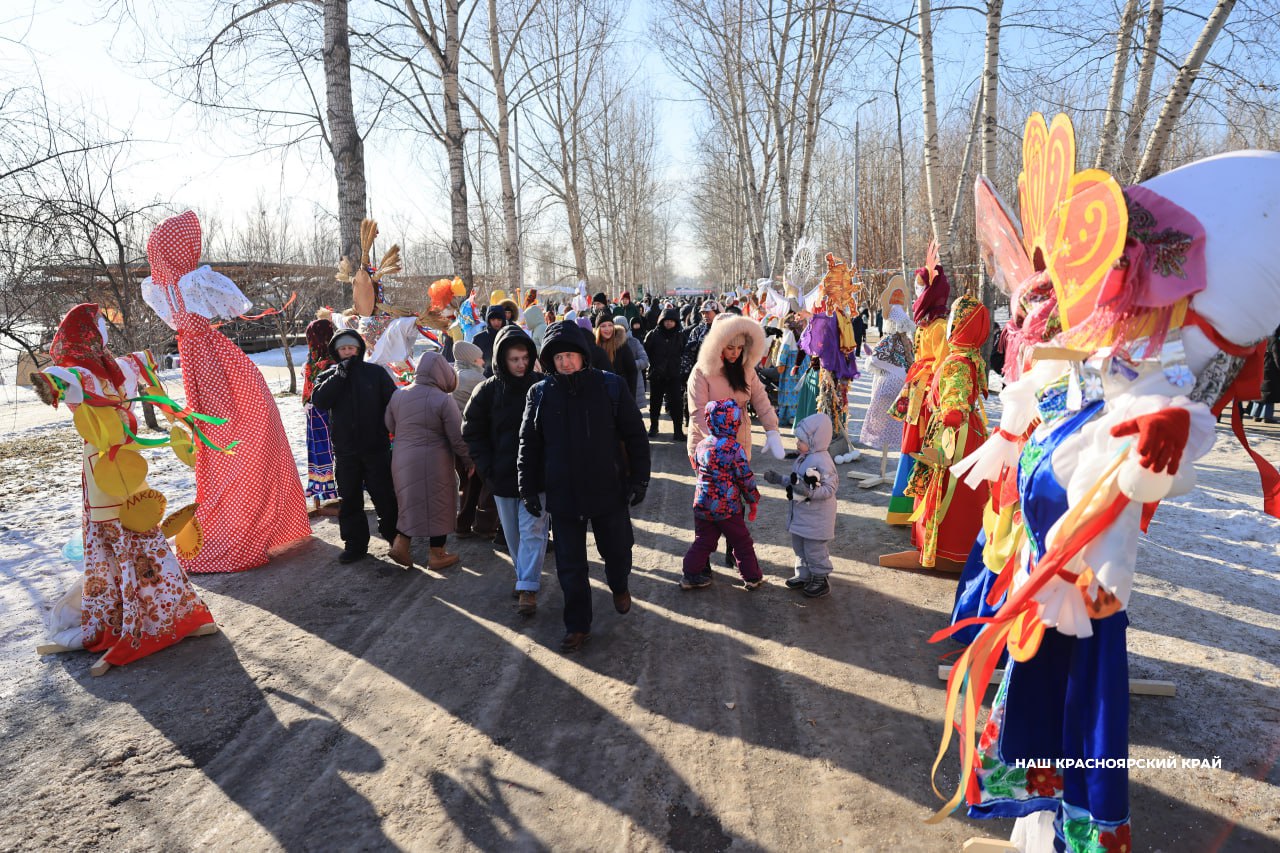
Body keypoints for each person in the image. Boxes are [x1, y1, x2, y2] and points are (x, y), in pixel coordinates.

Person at [33, 303, 217, 668]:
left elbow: (141, 363)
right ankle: (127, 619)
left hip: (129, 467)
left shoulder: (113, 368)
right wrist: (48, 380)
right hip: (104, 469)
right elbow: (57, 378)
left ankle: (173, 613)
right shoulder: (80, 373)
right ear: (85, 334)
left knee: (143, 530)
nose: (104, 330)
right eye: (98, 325)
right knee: (118, 537)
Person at [140, 210, 311, 572]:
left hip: (196, 361)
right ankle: (245, 525)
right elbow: (237, 307)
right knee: (246, 435)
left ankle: (240, 520)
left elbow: (183, 320)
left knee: (220, 444)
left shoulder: (160, 289)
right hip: (218, 363)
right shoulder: (193, 281)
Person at [518, 321, 651, 652]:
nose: (565, 363)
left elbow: (635, 435)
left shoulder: (610, 386)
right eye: (558, 357)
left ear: (583, 356)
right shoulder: (540, 393)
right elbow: (529, 444)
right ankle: (577, 625)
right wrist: (528, 487)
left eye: (570, 355)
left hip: (608, 488)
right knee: (570, 565)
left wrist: (640, 478)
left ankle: (619, 584)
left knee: (617, 551)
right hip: (564, 494)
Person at [463, 326, 549, 615]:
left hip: (537, 476)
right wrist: (487, 468)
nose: (521, 364)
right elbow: (472, 431)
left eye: (525, 357)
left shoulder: (543, 386)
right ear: (501, 359)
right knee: (513, 534)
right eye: (514, 359)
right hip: (501, 476)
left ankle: (527, 587)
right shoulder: (486, 391)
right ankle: (524, 574)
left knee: (534, 530)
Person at [311, 329, 400, 564]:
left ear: (359, 349)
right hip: (346, 451)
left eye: (351, 348)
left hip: (376, 448)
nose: (348, 352)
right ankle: (355, 545)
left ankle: (396, 539)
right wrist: (338, 376)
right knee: (349, 500)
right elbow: (319, 400)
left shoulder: (375, 373)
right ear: (336, 352)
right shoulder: (328, 375)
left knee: (385, 497)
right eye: (343, 349)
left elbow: (394, 402)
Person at [384, 352, 475, 569]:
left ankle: (401, 545)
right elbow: (457, 435)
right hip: (435, 461)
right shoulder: (443, 399)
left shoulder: (399, 394)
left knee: (409, 502)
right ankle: (437, 554)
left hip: (401, 458)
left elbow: (389, 423)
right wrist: (469, 460)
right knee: (439, 504)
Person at [681, 399, 764, 591]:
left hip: (702, 503)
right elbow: (745, 477)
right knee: (741, 541)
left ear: (710, 420)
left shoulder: (702, 445)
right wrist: (753, 499)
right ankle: (752, 577)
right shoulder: (734, 449)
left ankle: (690, 574)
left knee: (704, 540)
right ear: (734, 422)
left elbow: (696, 465)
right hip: (727, 506)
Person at [686, 313, 785, 464]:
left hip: (740, 443)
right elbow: (698, 411)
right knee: (713, 487)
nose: (736, 353)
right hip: (707, 447)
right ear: (718, 346)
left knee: (739, 486)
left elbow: (761, 400)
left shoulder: (746, 369)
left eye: (740, 347)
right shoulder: (701, 371)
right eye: (730, 347)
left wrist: (772, 430)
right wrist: (717, 443)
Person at [764, 412, 838, 598]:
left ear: (815, 440)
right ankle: (804, 575)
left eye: (801, 440)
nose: (797, 444)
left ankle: (820, 579)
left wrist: (810, 492)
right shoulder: (804, 457)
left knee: (814, 550)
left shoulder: (823, 461)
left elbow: (830, 489)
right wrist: (780, 479)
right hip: (801, 515)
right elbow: (796, 481)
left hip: (816, 519)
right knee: (800, 548)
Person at [451, 340, 498, 540]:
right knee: (488, 482)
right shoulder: (474, 378)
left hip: (459, 439)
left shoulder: (454, 375)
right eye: (479, 357)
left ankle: (462, 525)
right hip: (475, 437)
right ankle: (485, 526)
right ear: (471, 359)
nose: (483, 360)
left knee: (469, 485)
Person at [303, 314, 340, 511]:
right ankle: (335, 491)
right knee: (334, 451)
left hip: (318, 413)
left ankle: (328, 492)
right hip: (330, 412)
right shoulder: (334, 358)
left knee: (325, 452)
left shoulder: (315, 361)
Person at [645, 307, 686, 439]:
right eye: (666, 320)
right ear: (661, 321)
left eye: (671, 321)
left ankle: (678, 431)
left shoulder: (680, 335)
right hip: (657, 375)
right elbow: (646, 352)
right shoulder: (653, 334)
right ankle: (653, 426)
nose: (668, 323)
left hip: (674, 375)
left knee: (676, 403)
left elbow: (684, 353)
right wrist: (654, 366)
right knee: (655, 403)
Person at [679, 300, 721, 425]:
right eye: (703, 313)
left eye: (708, 313)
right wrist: (685, 372)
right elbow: (688, 354)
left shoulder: (724, 329)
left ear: (716, 312)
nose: (705, 316)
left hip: (719, 374)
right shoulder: (697, 331)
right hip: (700, 372)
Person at [775, 313, 808, 427]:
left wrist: (780, 363)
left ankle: (788, 416)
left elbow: (784, 350)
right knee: (797, 391)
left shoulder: (789, 334)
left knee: (789, 391)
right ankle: (796, 415)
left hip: (791, 365)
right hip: (801, 363)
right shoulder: (801, 332)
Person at [595, 317, 638, 397]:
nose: (607, 329)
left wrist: (630, 397)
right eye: (603, 326)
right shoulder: (593, 347)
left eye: (610, 325)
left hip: (619, 393)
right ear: (598, 329)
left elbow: (632, 372)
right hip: (599, 395)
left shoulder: (622, 346)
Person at [472, 305, 509, 376]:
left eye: (499, 320)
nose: (496, 323)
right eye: (493, 320)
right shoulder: (478, 339)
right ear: (488, 320)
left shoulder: (508, 336)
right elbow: (474, 361)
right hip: (485, 378)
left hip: (506, 377)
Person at [623, 316, 650, 410]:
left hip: (634, 382)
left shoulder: (634, 341)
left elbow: (645, 361)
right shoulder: (609, 343)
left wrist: (630, 364)